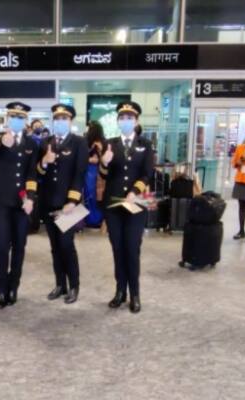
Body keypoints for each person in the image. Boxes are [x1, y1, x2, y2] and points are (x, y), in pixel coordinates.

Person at [99, 101, 154, 314]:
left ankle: (135, 294)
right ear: (117, 121)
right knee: (117, 249)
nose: (125, 121)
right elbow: (104, 175)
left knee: (132, 248)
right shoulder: (110, 144)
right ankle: (120, 291)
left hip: (136, 204)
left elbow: (147, 173)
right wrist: (104, 162)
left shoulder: (145, 144)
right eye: (122, 118)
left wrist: (135, 191)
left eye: (130, 118)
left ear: (137, 120)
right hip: (114, 205)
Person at [0, 102, 38, 309]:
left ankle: (13, 287)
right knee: (1, 246)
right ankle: (0, 289)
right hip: (1, 202)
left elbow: (31, 173)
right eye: (13, 116)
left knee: (19, 246)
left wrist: (31, 197)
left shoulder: (31, 144)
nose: (17, 120)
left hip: (21, 203)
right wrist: (0, 141)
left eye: (20, 117)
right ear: (8, 119)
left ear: (25, 121)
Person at [37, 104, 88, 304]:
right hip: (48, 202)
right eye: (57, 118)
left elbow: (80, 173)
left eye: (64, 118)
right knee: (54, 246)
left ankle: (74, 286)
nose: (60, 122)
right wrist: (44, 162)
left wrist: (72, 200)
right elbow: (38, 173)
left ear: (71, 121)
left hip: (68, 205)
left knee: (67, 245)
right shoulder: (45, 142)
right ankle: (60, 284)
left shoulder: (79, 142)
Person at [83, 120, 106, 228]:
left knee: (94, 195)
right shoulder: (86, 141)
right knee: (91, 195)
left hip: (95, 172)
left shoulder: (100, 143)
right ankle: (93, 219)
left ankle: (94, 219)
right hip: (92, 171)